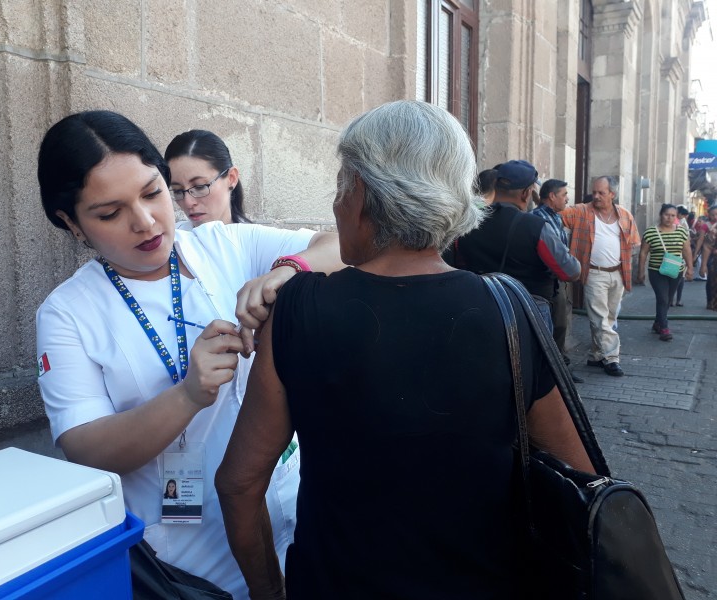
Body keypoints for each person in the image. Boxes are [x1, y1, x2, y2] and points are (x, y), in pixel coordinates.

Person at [215, 100, 594, 600]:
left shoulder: (298, 311)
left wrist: (269, 591)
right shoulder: (510, 309)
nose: (334, 204)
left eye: (339, 186)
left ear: (363, 195)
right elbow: (579, 476)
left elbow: (239, 485)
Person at [35, 110, 342, 599]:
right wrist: (187, 395)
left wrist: (287, 270)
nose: (145, 221)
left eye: (154, 192)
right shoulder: (68, 313)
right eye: (110, 213)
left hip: (294, 506)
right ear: (71, 223)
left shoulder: (222, 245)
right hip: (187, 558)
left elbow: (339, 246)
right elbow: (84, 446)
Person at [452, 160, 581, 333]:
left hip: (482, 306)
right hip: (529, 310)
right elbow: (570, 271)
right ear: (526, 193)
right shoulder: (536, 227)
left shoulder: (467, 223)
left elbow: (458, 263)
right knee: (532, 360)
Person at [561, 176, 640, 377]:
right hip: (594, 273)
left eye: (601, 193)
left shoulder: (624, 215)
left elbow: (634, 242)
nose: (595, 196)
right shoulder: (581, 211)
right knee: (600, 319)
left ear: (612, 194)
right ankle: (612, 358)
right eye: (594, 192)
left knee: (609, 318)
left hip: (618, 273)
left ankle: (597, 355)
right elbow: (555, 212)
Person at [165, 129, 251, 227]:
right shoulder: (173, 238)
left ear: (231, 178)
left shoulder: (256, 239)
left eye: (200, 186)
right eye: (178, 191)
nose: (188, 203)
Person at [532, 179, 576, 364]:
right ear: (552, 196)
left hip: (560, 279)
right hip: (546, 281)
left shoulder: (557, 217)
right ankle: (553, 370)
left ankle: (560, 365)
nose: (567, 199)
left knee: (561, 324)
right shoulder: (537, 218)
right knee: (554, 325)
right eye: (564, 195)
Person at [636, 204, 693, 341]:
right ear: (661, 215)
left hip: (676, 271)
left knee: (667, 299)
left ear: (676, 217)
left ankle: (657, 323)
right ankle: (664, 328)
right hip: (656, 271)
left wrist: (690, 268)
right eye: (667, 214)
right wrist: (640, 271)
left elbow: (686, 251)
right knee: (663, 298)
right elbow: (643, 253)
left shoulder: (682, 232)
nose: (669, 218)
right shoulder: (651, 232)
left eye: (673, 215)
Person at [701, 205, 717, 308]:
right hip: (711, 256)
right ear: (709, 215)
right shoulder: (706, 225)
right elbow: (702, 242)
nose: (715, 217)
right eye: (713, 215)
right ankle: (711, 302)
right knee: (711, 279)